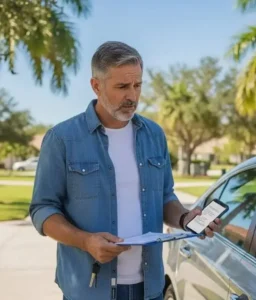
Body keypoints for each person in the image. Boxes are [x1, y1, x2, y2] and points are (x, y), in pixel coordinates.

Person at [30, 41, 220, 300]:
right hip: (89, 290)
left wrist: (185, 219)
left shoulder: (154, 135)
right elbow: (43, 209)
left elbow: (165, 196)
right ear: (96, 85)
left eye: (137, 85)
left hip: (149, 288)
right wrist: (86, 241)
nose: (132, 96)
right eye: (122, 87)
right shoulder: (62, 139)